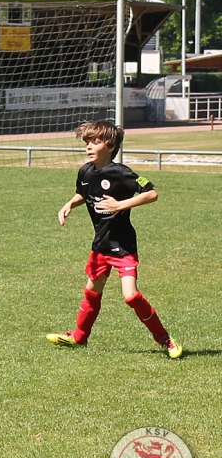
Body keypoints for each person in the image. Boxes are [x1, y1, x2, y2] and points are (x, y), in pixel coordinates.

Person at [47, 119, 182, 359]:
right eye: (87, 142)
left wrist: (121, 205)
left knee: (130, 296)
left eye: (95, 142)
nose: (88, 146)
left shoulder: (121, 173)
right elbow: (83, 193)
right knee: (91, 291)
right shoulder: (85, 171)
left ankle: (165, 340)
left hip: (123, 246)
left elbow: (151, 193)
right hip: (101, 245)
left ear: (110, 146)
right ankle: (78, 337)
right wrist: (69, 204)